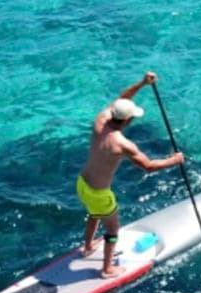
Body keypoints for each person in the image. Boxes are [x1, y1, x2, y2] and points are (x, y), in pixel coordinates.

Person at [76, 71, 184, 278]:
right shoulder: (122, 144)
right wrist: (174, 160)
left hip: (82, 183)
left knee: (94, 213)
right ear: (126, 120)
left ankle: (88, 246)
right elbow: (149, 166)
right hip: (100, 194)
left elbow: (122, 99)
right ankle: (107, 269)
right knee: (113, 230)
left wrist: (143, 83)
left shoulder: (101, 120)